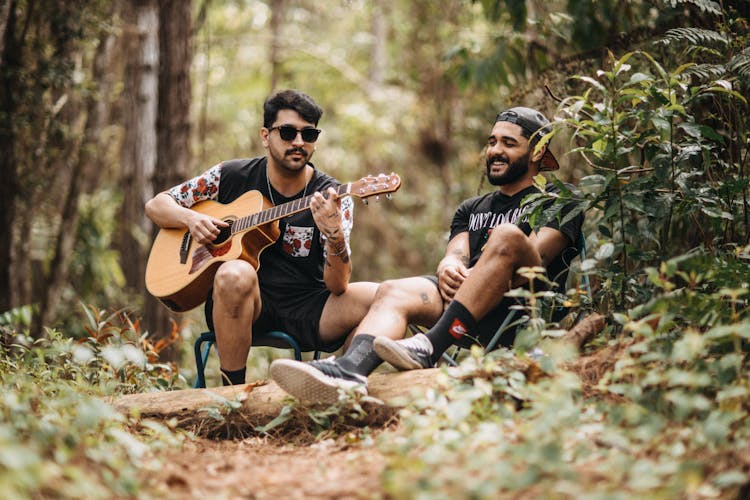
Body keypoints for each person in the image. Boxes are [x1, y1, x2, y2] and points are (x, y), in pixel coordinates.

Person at [270, 106, 584, 403]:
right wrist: (450, 266)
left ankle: (430, 345)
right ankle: (349, 370)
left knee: (507, 236)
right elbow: (457, 252)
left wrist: (480, 272)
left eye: (508, 143)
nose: (495, 150)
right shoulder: (472, 208)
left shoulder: (558, 199)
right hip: (465, 311)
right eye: (491, 142)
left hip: (521, 307)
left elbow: (540, 255)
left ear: (537, 152)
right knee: (393, 289)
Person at [145, 89, 378, 386]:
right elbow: (157, 205)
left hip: (310, 304)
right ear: (266, 136)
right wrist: (191, 219)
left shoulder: (333, 196)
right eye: (288, 132)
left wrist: (333, 235)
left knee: (382, 297)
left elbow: (338, 285)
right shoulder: (229, 176)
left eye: (309, 134)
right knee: (234, 272)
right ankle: (234, 397)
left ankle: (344, 385)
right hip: (243, 305)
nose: (298, 142)